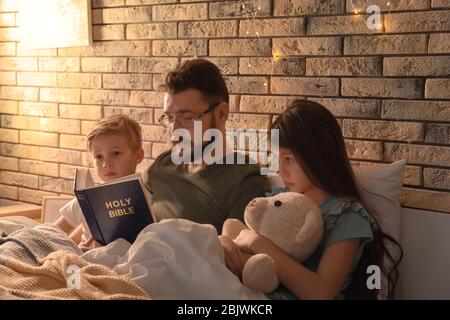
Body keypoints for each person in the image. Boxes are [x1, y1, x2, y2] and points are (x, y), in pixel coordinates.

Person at [219, 99, 403, 300]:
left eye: (288, 159)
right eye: (277, 159)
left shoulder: (346, 216)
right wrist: (224, 244)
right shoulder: (278, 200)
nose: (281, 171)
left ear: (317, 155)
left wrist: (258, 243)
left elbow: (320, 292)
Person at [144, 59, 270, 233]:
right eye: (170, 118)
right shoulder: (161, 165)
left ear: (221, 114)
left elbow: (236, 256)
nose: (174, 133)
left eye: (187, 118)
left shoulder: (245, 181)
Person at [55, 114, 145, 249]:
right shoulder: (87, 199)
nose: (106, 163)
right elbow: (51, 233)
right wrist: (74, 250)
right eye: (99, 156)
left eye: (115, 153)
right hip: (87, 262)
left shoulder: (149, 194)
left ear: (138, 156)